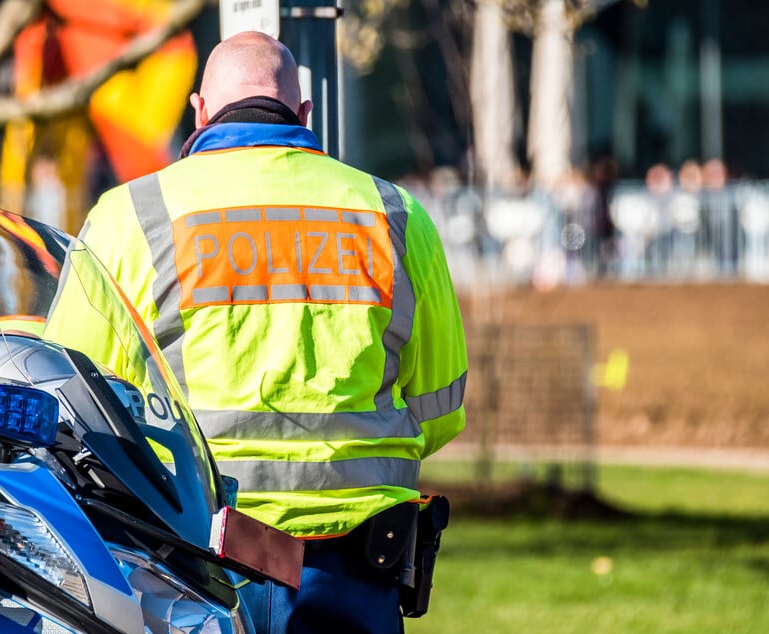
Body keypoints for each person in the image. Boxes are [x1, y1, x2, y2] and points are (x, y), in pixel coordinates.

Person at [47, 31, 468, 633]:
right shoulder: (396, 215)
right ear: (304, 113)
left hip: (190, 572)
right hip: (355, 576)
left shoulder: (130, 217)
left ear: (199, 111)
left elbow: (71, 400)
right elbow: (440, 411)